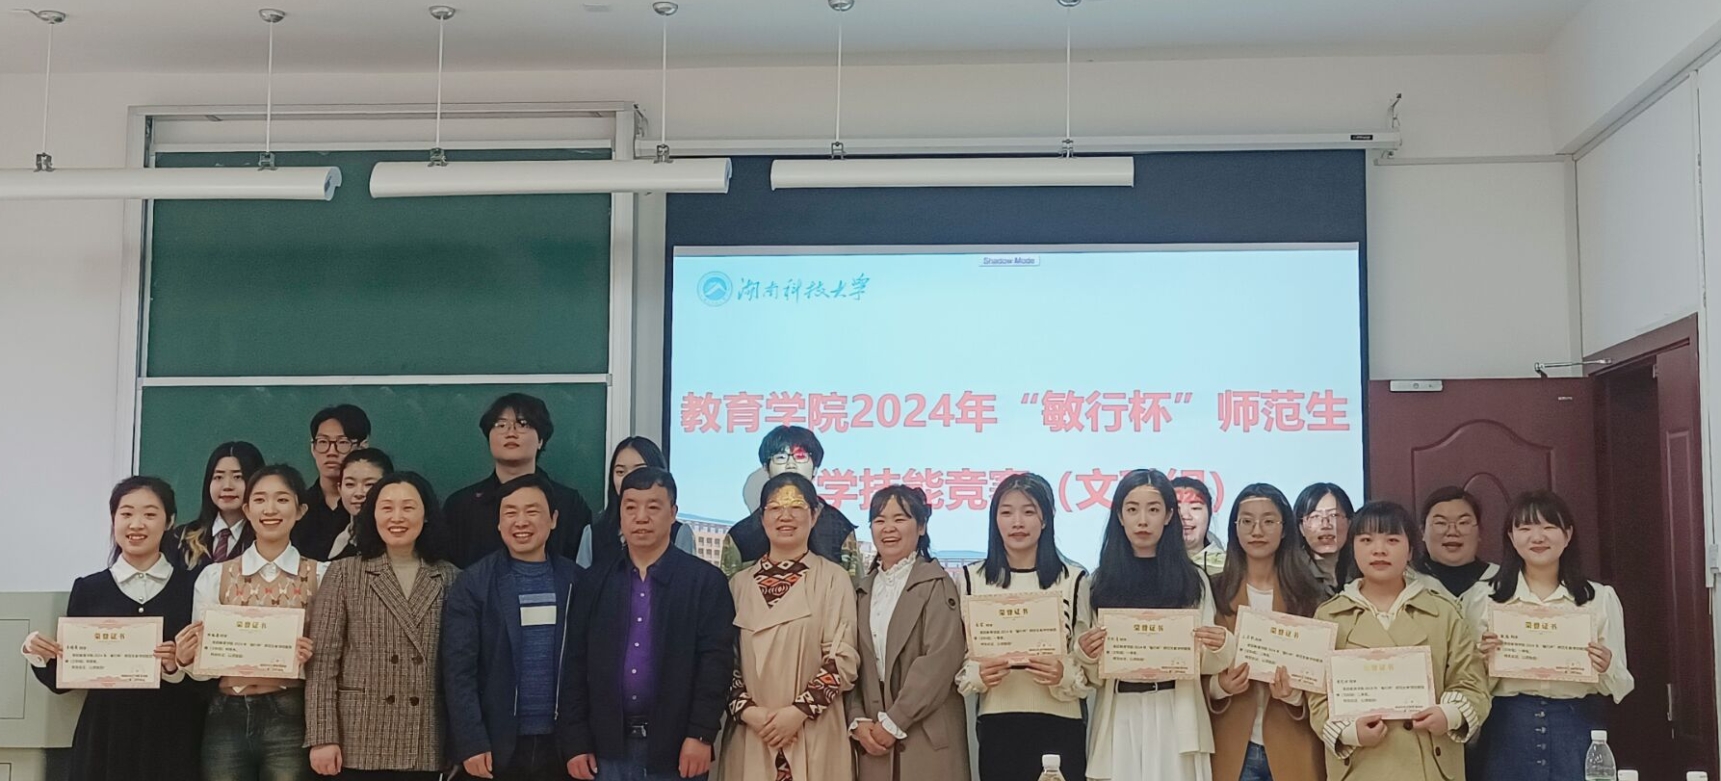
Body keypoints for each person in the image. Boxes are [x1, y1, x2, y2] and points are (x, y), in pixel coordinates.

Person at [20, 477, 204, 781]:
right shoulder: (90, 589)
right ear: (113, 519)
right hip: (105, 736)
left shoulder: (193, 586)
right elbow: (65, 678)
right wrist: (38, 653)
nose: (136, 524)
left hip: (172, 734)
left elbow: (207, 681)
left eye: (150, 514)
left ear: (170, 521)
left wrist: (177, 666)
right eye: (126, 513)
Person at [560, 467, 736, 781]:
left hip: (678, 748)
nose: (641, 517)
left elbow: (715, 665)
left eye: (653, 507)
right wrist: (575, 741)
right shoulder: (593, 581)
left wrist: (701, 734)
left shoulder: (705, 582)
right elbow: (574, 663)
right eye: (630, 507)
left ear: (673, 513)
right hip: (606, 749)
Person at [1308, 501, 1490, 781]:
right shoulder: (1330, 616)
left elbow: (1472, 682)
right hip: (1360, 766)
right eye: (1366, 540)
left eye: (1392, 540)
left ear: (1411, 550)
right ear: (1352, 547)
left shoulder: (1443, 613)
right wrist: (1350, 732)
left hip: (1431, 764)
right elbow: (1317, 697)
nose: (1379, 550)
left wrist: (1449, 715)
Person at [1462, 490, 1633, 781]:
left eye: (1549, 527)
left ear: (1568, 535)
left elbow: (1620, 685)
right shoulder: (1482, 597)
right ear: (1511, 537)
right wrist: (1483, 661)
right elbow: (1465, 682)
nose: (1537, 537)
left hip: (1575, 727)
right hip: (1506, 729)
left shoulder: (1599, 599)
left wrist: (1606, 665)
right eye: (1525, 528)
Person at [1075, 469, 1234, 781]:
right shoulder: (1097, 582)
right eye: (1132, 509)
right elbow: (1089, 672)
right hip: (1119, 713)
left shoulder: (1193, 580)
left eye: (1153, 509)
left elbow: (1207, 662)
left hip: (1177, 711)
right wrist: (1086, 653)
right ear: (1119, 516)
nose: (1143, 520)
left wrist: (1220, 645)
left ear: (1169, 515)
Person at [176, 464, 329, 781]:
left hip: (291, 711)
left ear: (300, 510)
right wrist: (187, 657)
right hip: (226, 712)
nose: (270, 509)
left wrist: (312, 655)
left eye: (282, 499)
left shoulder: (322, 575)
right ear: (247, 509)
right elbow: (203, 668)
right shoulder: (214, 576)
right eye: (259, 499)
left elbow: (333, 658)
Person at [305, 471, 460, 781]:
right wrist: (322, 737)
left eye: (408, 507)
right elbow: (322, 664)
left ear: (426, 514)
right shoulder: (344, 573)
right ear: (372, 515)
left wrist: (459, 744)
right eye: (386, 507)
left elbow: (461, 670)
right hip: (358, 736)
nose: (397, 517)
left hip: (424, 737)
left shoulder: (451, 577)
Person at [441, 473, 584, 781]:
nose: (521, 522)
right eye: (510, 513)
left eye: (532, 511)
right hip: (496, 744)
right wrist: (471, 741)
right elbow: (458, 671)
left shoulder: (577, 581)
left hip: (562, 747)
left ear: (553, 519)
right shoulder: (474, 583)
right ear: (498, 522)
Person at [719, 473, 859, 781]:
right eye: (775, 507)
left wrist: (797, 712)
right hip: (753, 731)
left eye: (796, 506)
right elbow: (723, 661)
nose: (785, 516)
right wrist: (750, 712)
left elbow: (843, 659)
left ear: (815, 514)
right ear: (762, 517)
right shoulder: (737, 585)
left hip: (813, 729)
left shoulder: (833, 579)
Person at [956, 472, 1091, 781]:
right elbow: (958, 659)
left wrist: (1063, 673)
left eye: (1029, 511)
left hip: (1061, 722)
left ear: (1046, 519)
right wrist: (977, 674)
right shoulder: (970, 579)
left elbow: (1088, 664)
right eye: (1006, 512)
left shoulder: (1074, 579)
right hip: (998, 723)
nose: (1017, 522)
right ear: (995, 520)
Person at [848, 485, 970, 781]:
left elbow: (940, 661)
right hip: (873, 742)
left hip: (926, 738)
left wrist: (895, 721)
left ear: (922, 526)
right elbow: (852, 661)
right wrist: (856, 718)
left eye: (900, 519)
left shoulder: (937, 583)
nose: (888, 528)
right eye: (879, 520)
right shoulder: (862, 590)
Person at [1206, 484, 1326, 781]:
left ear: (1285, 529)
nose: (1257, 530)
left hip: (1292, 743)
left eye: (1268, 521)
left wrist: (1295, 695)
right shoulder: (1212, 592)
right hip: (1231, 742)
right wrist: (1220, 686)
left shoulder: (1310, 597)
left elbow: (1326, 680)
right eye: (1246, 521)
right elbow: (1192, 668)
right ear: (1234, 528)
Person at [445, 393, 594, 569]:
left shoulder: (568, 503)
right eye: (500, 425)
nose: (510, 433)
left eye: (522, 424)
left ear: (540, 440)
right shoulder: (461, 506)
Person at [719, 425, 859, 578]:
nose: (790, 465)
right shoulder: (742, 535)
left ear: (815, 467)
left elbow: (853, 587)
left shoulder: (840, 528)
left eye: (800, 456)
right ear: (766, 467)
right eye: (781, 457)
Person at [576, 437, 694, 568]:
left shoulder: (678, 533)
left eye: (639, 470)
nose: (629, 478)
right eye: (620, 472)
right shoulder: (593, 535)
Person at [164, 441, 265, 572]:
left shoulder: (267, 539)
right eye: (218, 477)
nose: (227, 486)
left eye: (238, 477)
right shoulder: (182, 537)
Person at [296, 405, 372, 562]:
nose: (331, 452)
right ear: (313, 448)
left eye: (342, 442)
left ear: (362, 447)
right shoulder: (298, 506)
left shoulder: (374, 507)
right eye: (323, 442)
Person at [298, 448, 393, 564]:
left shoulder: (396, 538)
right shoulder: (334, 536)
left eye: (369, 484)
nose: (359, 493)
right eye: (350, 484)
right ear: (340, 488)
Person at [1413, 486, 1498, 599]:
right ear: (1423, 532)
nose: (1452, 532)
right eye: (1440, 523)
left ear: (1480, 531)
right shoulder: (1406, 581)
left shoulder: (1503, 579)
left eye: (1463, 523)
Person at [1294, 483, 1354, 594]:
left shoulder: (1362, 570)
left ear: (1349, 523)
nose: (1326, 525)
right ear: (1301, 527)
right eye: (1315, 516)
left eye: (1334, 515)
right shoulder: (1291, 573)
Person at [1172, 475, 1227, 576]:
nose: (1185, 516)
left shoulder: (1229, 568)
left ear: (1209, 515)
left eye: (1195, 508)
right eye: (1177, 508)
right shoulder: (1152, 564)